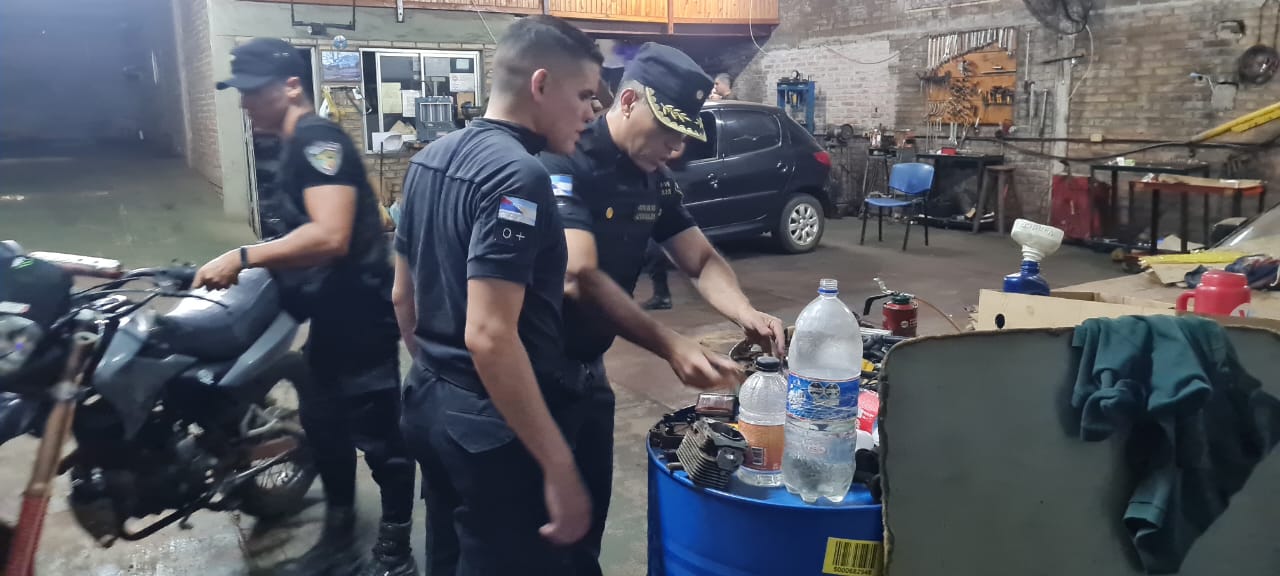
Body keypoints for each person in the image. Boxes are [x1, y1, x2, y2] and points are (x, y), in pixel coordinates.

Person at [538, 42, 785, 575]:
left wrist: (745, 313)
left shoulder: (652, 176)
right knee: (535, 536)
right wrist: (671, 344)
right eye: (666, 131)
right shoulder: (565, 158)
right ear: (627, 101)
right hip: (533, 377)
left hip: (587, 372)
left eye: (683, 136)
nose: (674, 148)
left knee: (585, 528)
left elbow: (700, 259)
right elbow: (578, 275)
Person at [390, 15, 602, 576]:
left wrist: (439, 379)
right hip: (489, 428)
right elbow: (488, 334)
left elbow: (401, 298)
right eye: (584, 95)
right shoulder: (519, 177)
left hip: (427, 405)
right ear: (540, 85)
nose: (591, 112)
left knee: (446, 551)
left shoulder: (429, 157)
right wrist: (558, 463)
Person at [198, 38, 418, 576]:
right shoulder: (292, 144)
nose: (246, 104)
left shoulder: (318, 140)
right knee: (323, 422)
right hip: (328, 314)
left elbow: (331, 235)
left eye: (254, 92)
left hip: (361, 313)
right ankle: (340, 530)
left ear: (292, 86)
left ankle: (396, 549)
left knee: (379, 434)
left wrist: (242, 256)